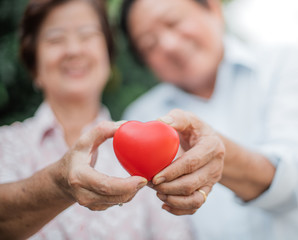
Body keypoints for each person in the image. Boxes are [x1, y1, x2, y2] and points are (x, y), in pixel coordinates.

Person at [120, 0, 298, 239]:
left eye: (174, 22)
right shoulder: (141, 116)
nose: (169, 45)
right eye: (149, 43)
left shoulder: (287, 63)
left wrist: (218, 156)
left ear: (213, 8)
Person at [0, 0, 192, 239]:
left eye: (87, 35)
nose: (73, 49)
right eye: (55, 39)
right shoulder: (5, 147)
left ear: (108, 57)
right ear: (34, 67)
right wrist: (58, 186)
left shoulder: (149, 154)